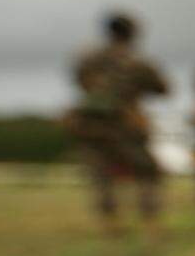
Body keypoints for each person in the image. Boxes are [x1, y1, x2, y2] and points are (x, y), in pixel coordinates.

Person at [65, 12, 169, 230]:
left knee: (101, 174)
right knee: (146, 171)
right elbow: (162, 89)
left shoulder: (88, 57)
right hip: (125, 123)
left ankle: (110, 223)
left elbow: (78, 80)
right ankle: (150, 222)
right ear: (132, 34)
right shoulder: (136, 61)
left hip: (90, 122)